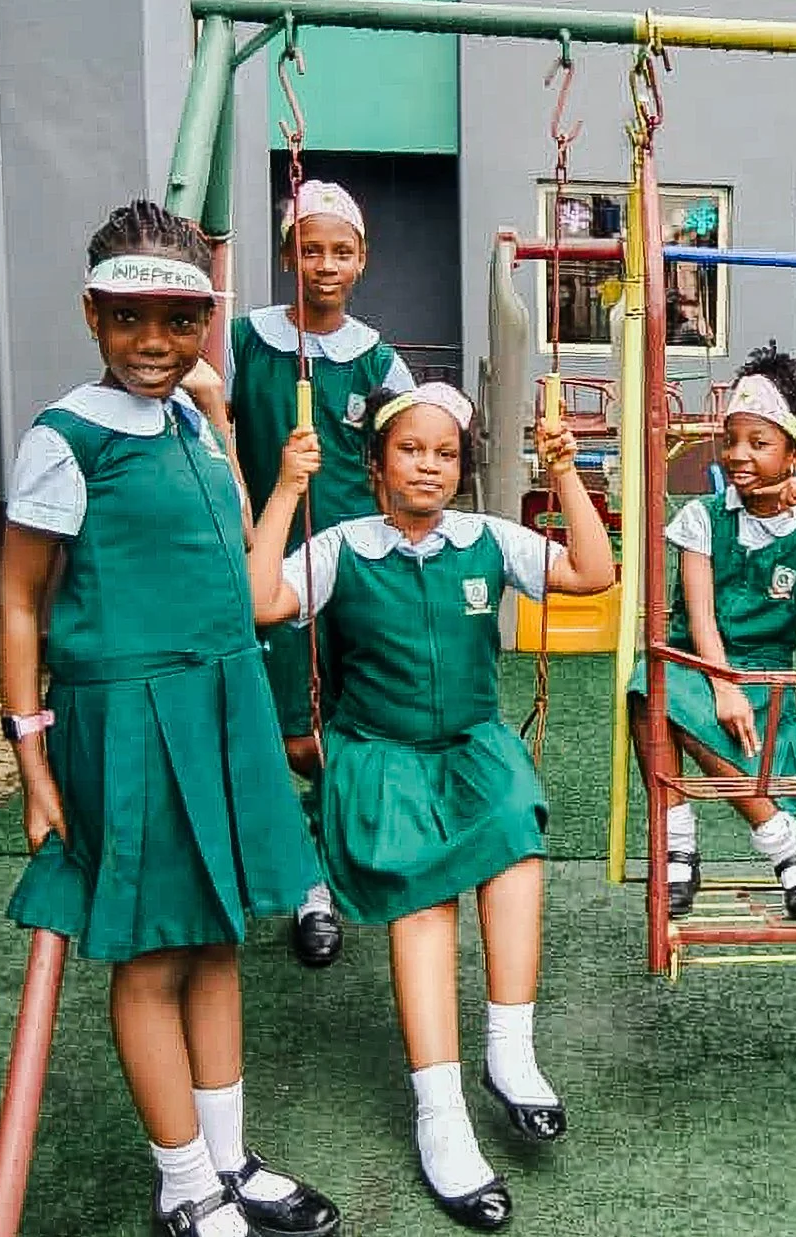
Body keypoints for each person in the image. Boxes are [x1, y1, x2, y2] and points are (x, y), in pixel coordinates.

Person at [0, 200, 339, 1237]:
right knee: (151, 954)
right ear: (91, 316)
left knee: (218, 936)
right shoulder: (65, 438)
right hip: (129, 712)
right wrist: (35, 761)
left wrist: (224, 417)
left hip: (221, 697)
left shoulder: (194, 417)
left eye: (181, 321)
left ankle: (231, 1157)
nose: (156, 344)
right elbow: (18, 599)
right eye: (129, 320)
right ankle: (184, 1178)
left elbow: (234, 537)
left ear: (205, 322)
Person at [249, 382, 614, 1230]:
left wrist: (563, 478)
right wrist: (286, 490)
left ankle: (510, 1051)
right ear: (376, 467)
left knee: (518, 839)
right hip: (382, 757)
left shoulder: (485, 539)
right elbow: (260, 600)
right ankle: (440, 1112)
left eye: (445, 453)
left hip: (473, 748)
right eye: (411, 450)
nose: (429, 465)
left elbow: (593, 573)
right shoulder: (343, 546)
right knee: (423, 905)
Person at [190, 179, 415, 969]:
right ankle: (283, 865)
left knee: (347, 722)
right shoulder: (245, 340)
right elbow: (207, 414)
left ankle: (318, 880)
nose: (324, 264)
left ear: (361, 262)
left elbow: (408, 447)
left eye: (341, 251)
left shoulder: (375, 356)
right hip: (264, 557)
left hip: (350, 565)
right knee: (285, 732)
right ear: (288, 254)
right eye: (310, 248)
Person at [628, 344, 796, 921]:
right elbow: (701, 615)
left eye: (758, 443)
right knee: (647, 689)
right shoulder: (703, 517)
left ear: (794, 454)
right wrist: (721, 684)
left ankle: (767, 850)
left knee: (681, 709)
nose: (738, 455)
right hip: (698, 663)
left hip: (766, 677)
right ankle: (714, 844)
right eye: (731, 439)